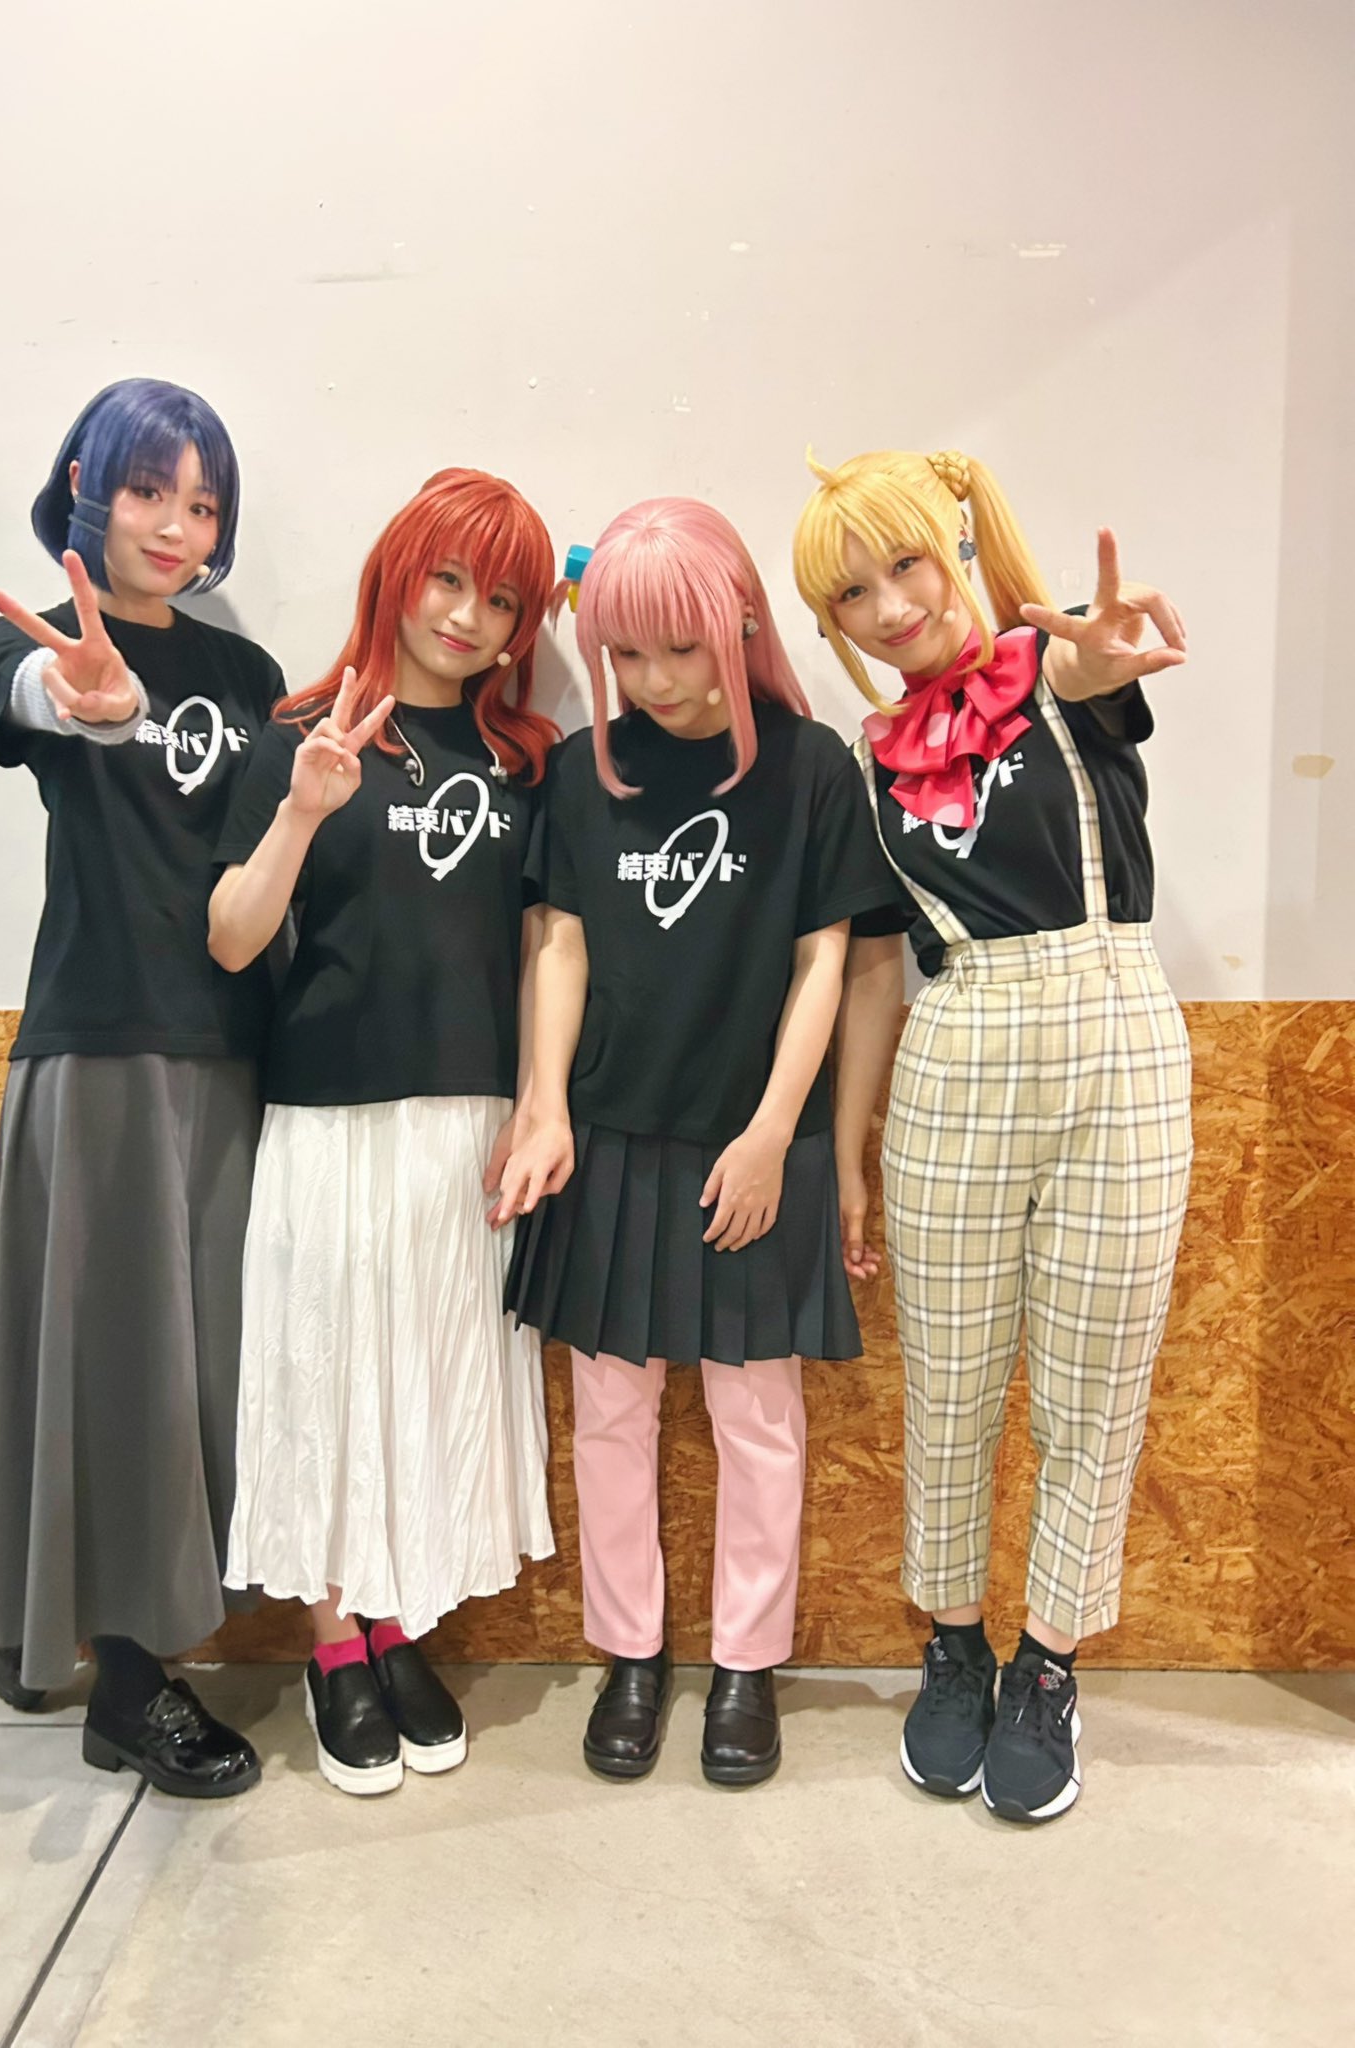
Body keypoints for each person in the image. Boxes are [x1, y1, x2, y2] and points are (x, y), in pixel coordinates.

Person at [795, 445, 1193, 1823]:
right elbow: (870, 973)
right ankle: (954, 1645)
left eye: (906, 564)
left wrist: (1098, 654)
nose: (891, 608)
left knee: (1096, 1385)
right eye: (853, 595)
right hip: (957, 1045)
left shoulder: (1060, 674)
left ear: (960, 547)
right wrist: (848, 1151)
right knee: (952, 1382)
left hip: (1117, 1038)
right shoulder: (868, 761)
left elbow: (1092, 670)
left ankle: (1048, 1665)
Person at [497, 497, 903, 1786]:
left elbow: (828, 960)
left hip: (755, 1140)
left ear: (737, 620)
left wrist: (776, 1133)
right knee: (610, 1413)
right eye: (625, 653)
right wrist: (545, 1103)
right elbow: (558, 940)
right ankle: (630, 1654)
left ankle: (745, 1663)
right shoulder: (582, 770)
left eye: (679, 648)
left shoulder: (812, 766)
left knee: (758, 1413)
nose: (656, 679)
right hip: (611, 1138)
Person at [0, 377, 284, 1797]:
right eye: (149, 489)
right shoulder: (26, 642)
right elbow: (45, 701)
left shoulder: (250, 677)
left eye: (202, 502)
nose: (176, 524)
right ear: (87, 488)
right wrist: (81, 694)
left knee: (196, 1370)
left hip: (229, 1056)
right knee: (104, 1358)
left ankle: (66, 1637)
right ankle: (122, 1686)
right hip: (95, 1052)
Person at [209, 468, 558, 1796]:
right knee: (326, 1376)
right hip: (329, 1116)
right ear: (397, 575)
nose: (467, 616)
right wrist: (304, 806)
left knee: (426, 1375)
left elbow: (543, 947)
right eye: (448, 580)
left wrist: (537, 1104)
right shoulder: (301, 732)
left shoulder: (523, 763)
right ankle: (333, 1642)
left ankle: (397, 1620)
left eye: (502, 600)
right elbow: (231, 936)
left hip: (467, 1126)